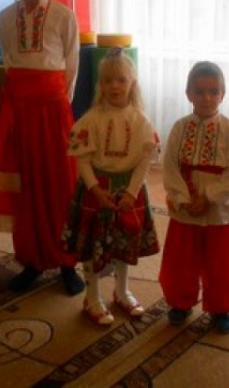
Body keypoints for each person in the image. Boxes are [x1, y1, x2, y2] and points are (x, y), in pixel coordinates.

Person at [0, 0, 84, 295]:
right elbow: (9, 63)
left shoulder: (64, 16)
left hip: (54, 111)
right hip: (20, 113)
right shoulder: (3, 18)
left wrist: (58, 108)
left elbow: (71, 69)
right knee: (25, 185)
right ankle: (30, 260)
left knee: (60, 184)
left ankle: (66, 262)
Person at [61, 48, 160, 325]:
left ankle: (121, 291)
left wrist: (131, 192)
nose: (114, 86)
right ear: (100, 85)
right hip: (97, 191)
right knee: (92, 245)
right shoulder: (90, 120)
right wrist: (95, 188)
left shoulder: (141, 121)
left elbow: (144, 160)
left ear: (133, 84)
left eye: (121, 80)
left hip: (129, 190)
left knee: (124, 242)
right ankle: (92, 297)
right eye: (107, 81)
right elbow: (82, 159)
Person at [159, 61, 229, 334]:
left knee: (220, 264)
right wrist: (183, 200)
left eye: (213, 91)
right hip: (185, 209)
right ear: (188, 94)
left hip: (217, 211)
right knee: (181, 261)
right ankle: (180, 303)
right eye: (199, 91)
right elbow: (170, 166)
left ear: (223, 93)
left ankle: (220, 309)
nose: (206, 97)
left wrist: (209, 198)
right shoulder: (178, 128)